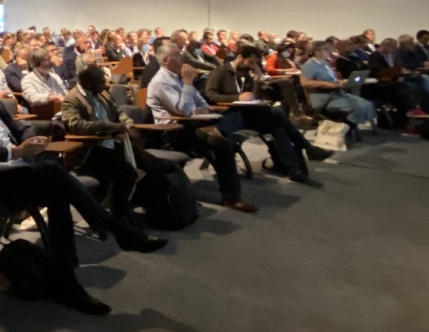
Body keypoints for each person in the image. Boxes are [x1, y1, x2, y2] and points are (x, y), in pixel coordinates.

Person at [0, 65, 166, 316]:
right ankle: (114, 228)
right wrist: (16, 152)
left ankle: (68, 284)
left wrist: (32, 140)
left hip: (15, 176)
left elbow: (21, 129)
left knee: (58, 193)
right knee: (51, 171)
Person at [146, 44, 257, 213]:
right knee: (223, 143)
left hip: (194, 124)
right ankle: (231, 197)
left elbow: (202, 102)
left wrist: (202, 109)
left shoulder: (178, 77)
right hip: (173, 132)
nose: (183, 58)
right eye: (178, 55)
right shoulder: (161, 82)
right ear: (166, 60)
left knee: (227, 127)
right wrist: (189, 83)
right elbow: (182, 111)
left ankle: (231, 193)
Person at [204, 46, 329, 186]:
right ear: (240, 58)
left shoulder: (245, 73)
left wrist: (257, 81)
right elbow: (211, 95)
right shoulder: (220, 71)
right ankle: (307, 150)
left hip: (248, 113)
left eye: (255, 63)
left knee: (277, 125)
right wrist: (236, 97)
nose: (252, 66)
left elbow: (253, 97)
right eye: (250, 62)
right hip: (230, 115)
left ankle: (295, 170)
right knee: (277, 115)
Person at [61, 63, 141, 224]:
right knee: (127, 173)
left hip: (111, 145)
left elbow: (118, 112)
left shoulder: (102, 93)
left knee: (147, 163)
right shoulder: (72, 99)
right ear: (88, 83)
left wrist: (129, 125)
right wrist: (106, 127)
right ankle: (119, 216)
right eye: (100, 81)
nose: (105, 84)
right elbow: (76, 125)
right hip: (89, 151)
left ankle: (148, 205)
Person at [302, 41, 376, 125]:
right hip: (324, 98)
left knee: (366, 104)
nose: (329, 51)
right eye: (326, 49)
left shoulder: (325, 63)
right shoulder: (309, 65)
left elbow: (332, 80)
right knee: (357, 107)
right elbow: (305, 82)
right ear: (317, 52)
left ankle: (347, 127)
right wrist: (328, 84)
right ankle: (347, 128)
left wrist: (341, 82)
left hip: (336, 94)